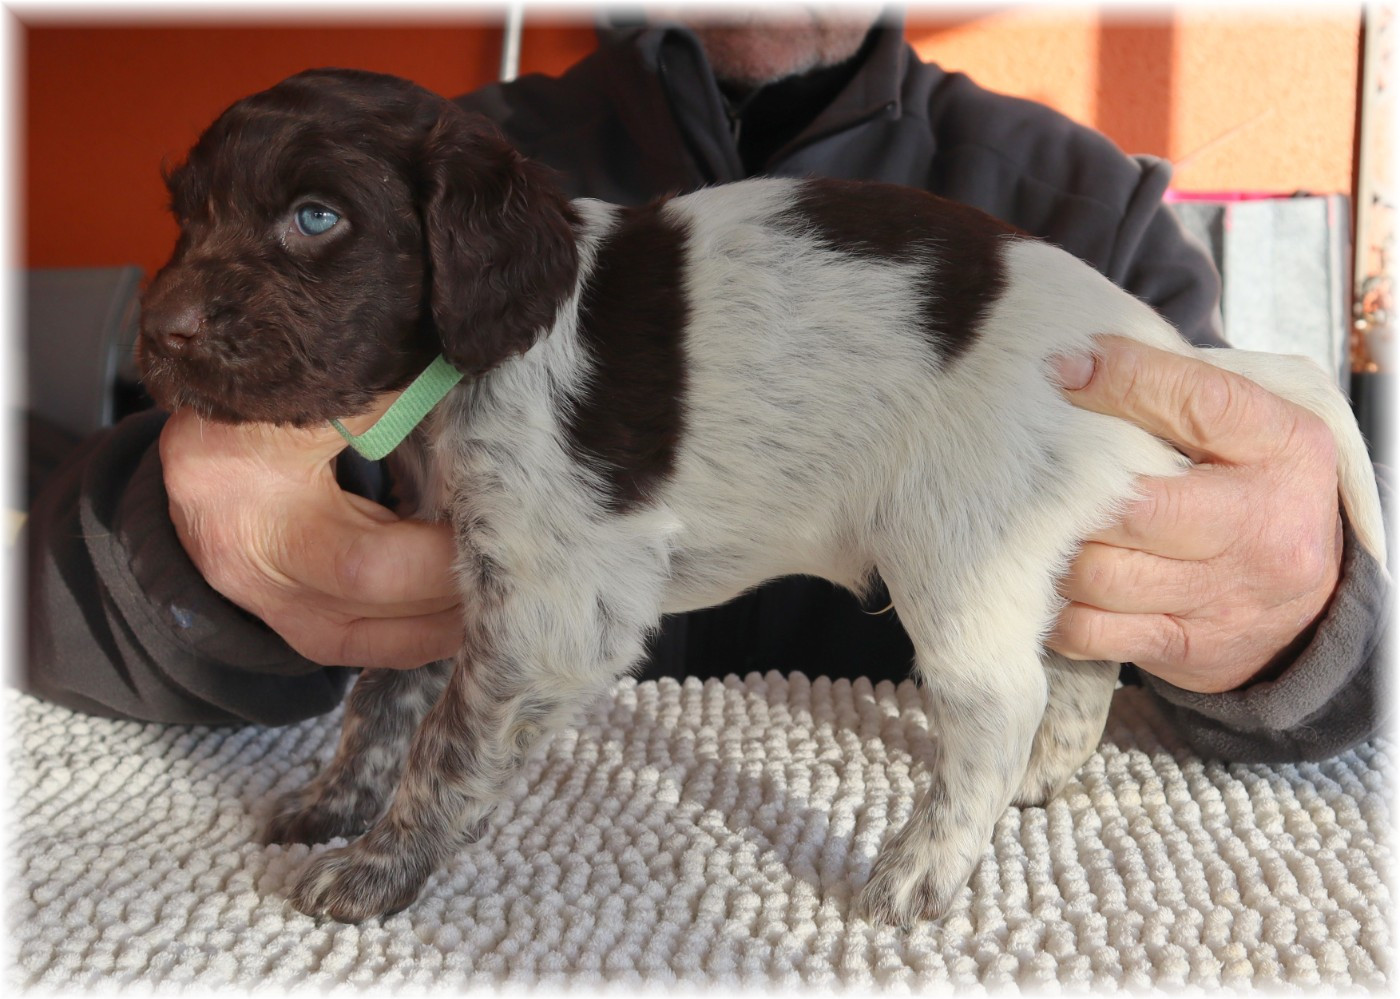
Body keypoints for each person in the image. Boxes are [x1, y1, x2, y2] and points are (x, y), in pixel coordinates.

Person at [24, 10, 1390, 763]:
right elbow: (45, 605)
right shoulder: (424, 164)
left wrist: (1294, 618)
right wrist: (180, 532)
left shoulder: (1089, 212)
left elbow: (1350, 681)